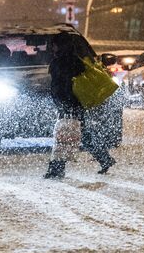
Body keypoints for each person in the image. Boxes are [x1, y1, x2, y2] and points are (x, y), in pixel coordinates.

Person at [45, 33, 116, 179]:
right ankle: (104, 158)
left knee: (63, 135)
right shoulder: (76, 60)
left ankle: (56, 169)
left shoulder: (61, 62)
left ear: (61, 45)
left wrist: (62, 102)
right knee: (80, 135)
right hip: (74, 103)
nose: (52, 47)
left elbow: (62, 86)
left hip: (68, 104)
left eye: (55, 44)